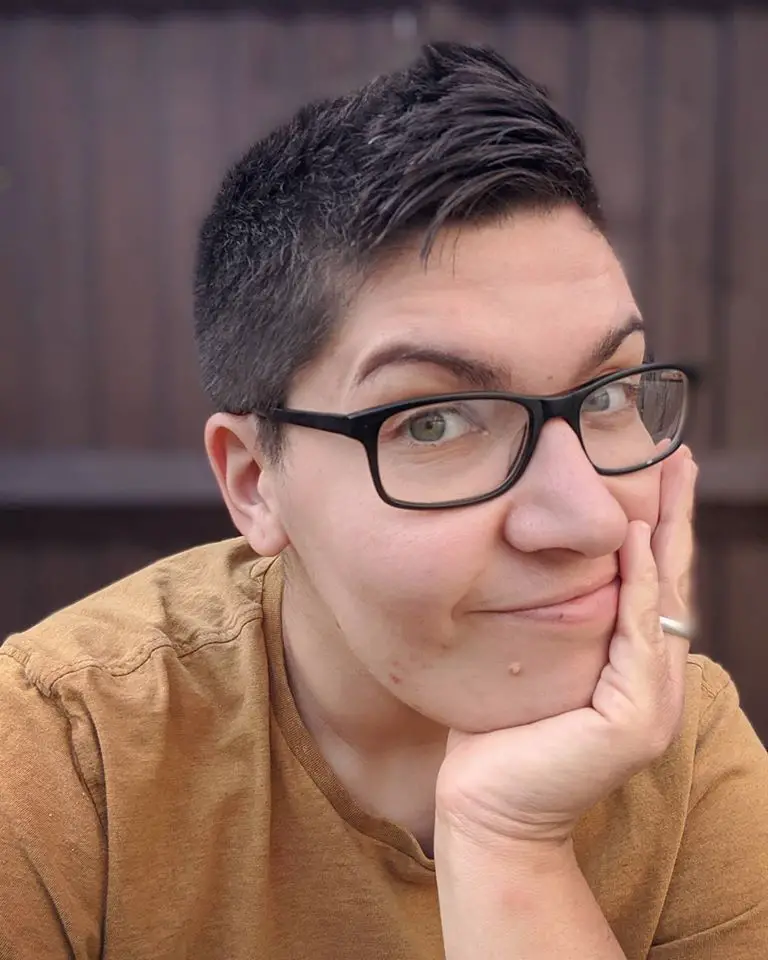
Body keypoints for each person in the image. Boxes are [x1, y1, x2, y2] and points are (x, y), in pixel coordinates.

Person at [1, 41, 766, 960]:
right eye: (435, 423)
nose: (592, 518)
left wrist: (511, 845)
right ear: (254, 483)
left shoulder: (676, 741)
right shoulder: (59, 757)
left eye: (606, 395)